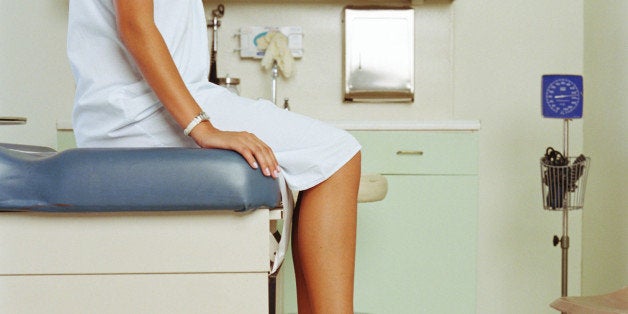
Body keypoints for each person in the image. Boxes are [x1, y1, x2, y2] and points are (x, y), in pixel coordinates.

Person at [67, 1, 362, 313]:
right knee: (337, 154)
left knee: (334, 154)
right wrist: (202, 127)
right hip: (138, 111)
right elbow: (135, 25)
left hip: (143, 106)